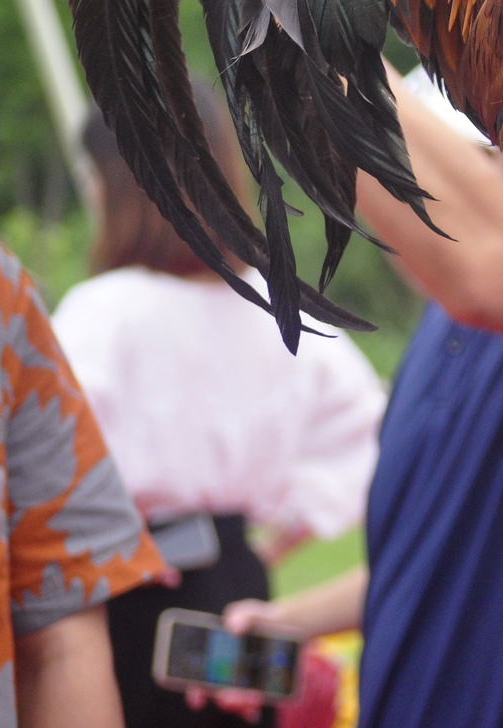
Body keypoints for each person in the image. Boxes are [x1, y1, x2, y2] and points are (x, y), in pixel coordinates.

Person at [216, 69, 503, 728]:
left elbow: (499, 269)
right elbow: (436, 556)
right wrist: (292, 623)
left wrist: (306, 14)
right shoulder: (438, 335)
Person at [54, 83, 385, 728]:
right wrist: (271, 539)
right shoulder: (281, 310)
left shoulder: (103, 315)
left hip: (127, 594)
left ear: (116, 186)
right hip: (236, 584)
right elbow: (374, 438)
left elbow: (45, 469)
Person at [0, 234, 166, 728]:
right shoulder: (262, 299)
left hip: (127, 553)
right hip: (185, 557)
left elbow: (59, 629)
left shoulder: (7, 288)